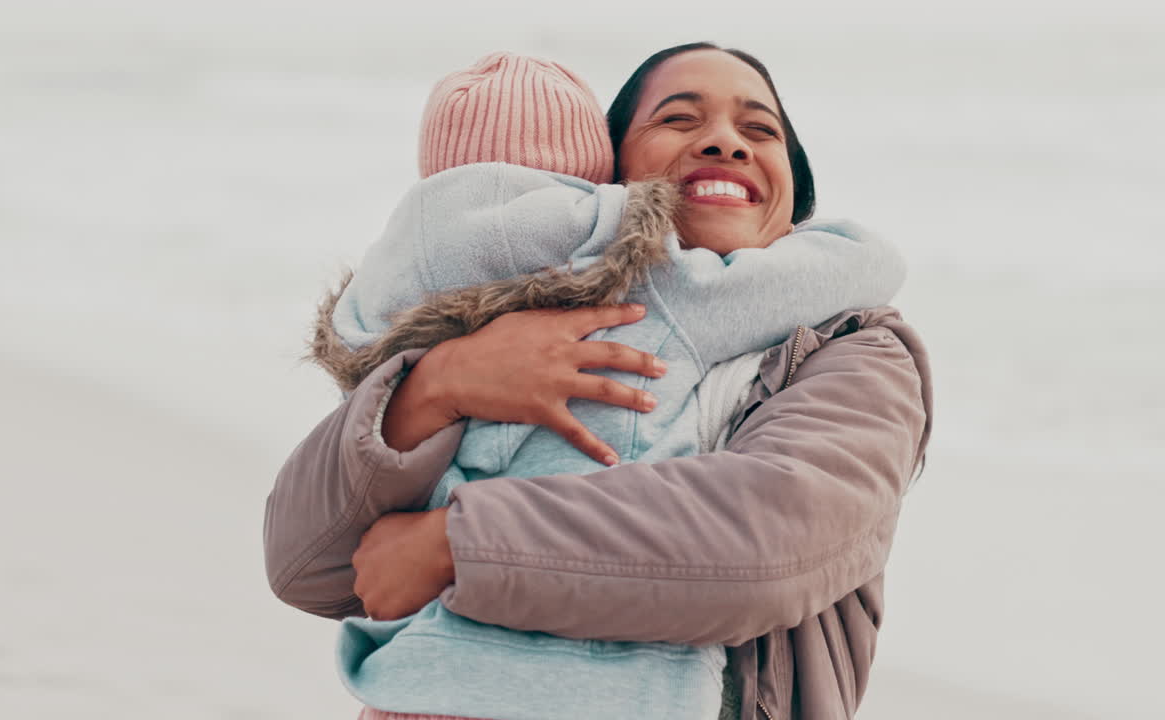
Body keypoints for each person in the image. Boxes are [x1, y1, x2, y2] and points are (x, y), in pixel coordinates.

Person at [265, 42, 934, 720]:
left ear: (794, 194)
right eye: (678, 119)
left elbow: (765, 545)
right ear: (606, 181)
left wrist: (455, 545)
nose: (727, 143)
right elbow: (304, 564)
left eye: (760, 130)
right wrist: (436, 387)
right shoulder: (500, 328)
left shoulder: (856, 352)